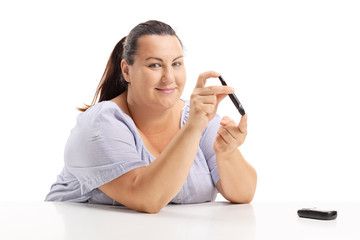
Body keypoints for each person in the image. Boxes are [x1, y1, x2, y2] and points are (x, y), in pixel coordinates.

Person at [45, 20, 257, 213]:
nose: (169, 78)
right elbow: (147, 198)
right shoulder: (100, 124)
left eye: (176, 64)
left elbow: (243, 194)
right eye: (154, 65)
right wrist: (193, 127)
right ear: (126, 71)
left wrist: (227, 153)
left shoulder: (197, 117)